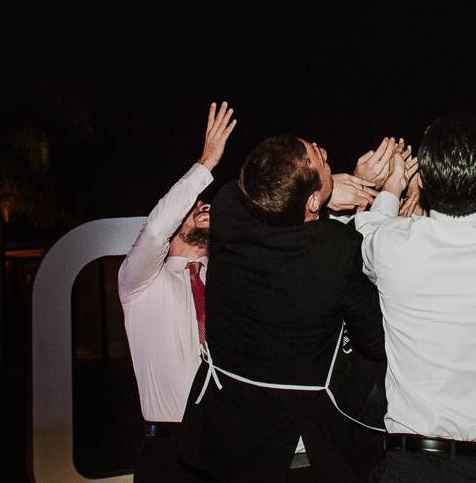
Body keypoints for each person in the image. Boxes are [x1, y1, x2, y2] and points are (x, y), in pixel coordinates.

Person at [179, 133, 386, 483]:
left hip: (228, 443)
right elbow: (375, 342)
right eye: (317, 156)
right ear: (312, 203)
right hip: (298, 451)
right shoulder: (336, 250)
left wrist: (327, 189)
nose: (322, 148)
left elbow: (257, 197)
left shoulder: (228, 209)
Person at [354, 115, 476, 481]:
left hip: (410, 467)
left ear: (421, 181)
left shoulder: (393, 245)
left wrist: (392, 184)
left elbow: (370, 228)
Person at [117, 102, 237, 482]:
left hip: (231, 449)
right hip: (169, 453)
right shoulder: (139, 282)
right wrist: (205, 165)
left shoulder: (229, 281)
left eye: (207, 204)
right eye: (195, 204)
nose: (205, 204)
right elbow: (154, 231)